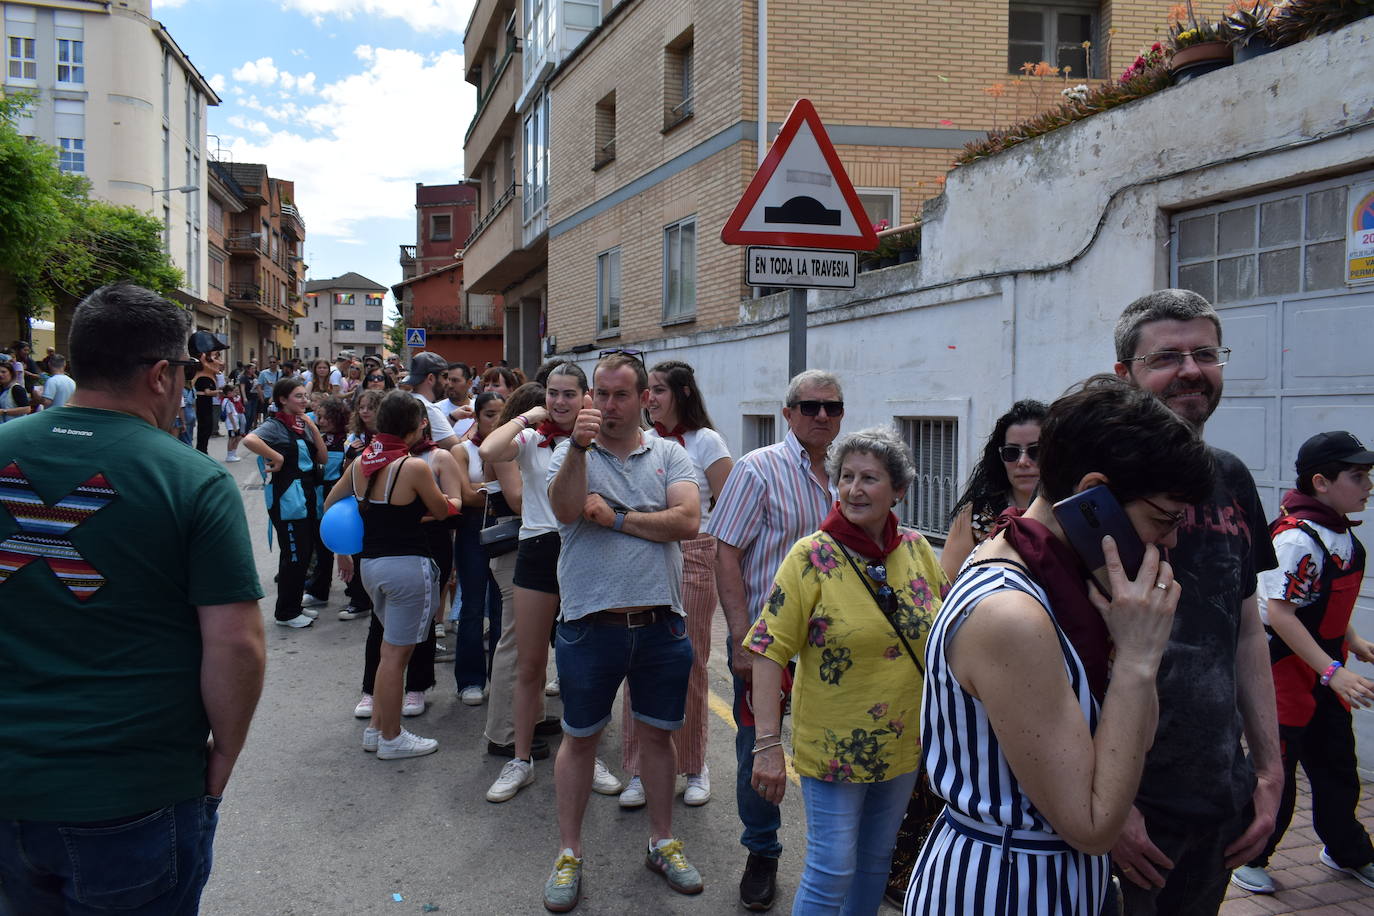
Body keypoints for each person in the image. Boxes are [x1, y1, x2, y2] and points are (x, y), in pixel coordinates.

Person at [0, 283, 266, 913]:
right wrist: (225, 754)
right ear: (159, 375)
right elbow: (235, 643)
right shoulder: (192, 478)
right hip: (132, 792)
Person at [906, 375, 1212, 915]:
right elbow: (1094, 824)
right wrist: (1139, 658)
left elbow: (1131, 745)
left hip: (1055, 878)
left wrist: (1130, 644)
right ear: (1094, 496)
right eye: (1162, 519)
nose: (1170, 540)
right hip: (1005, 886)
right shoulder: (1011, 613)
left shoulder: (1065, 578)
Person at [1109, 289, 1281, 914]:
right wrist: (1111, 804)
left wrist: (1267, 772)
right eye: (1167, 357)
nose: (1190, 370)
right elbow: (1064, 649)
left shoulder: (1231, 478)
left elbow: (1244, 631)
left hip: (1214, 796)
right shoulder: (1094, 489)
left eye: (1204, 353)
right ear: (1124, 374)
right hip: (1123, 810)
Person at [748, 426, 946, 914]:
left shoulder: (917, 551)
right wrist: (768, 744)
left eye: (870, 478)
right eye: (847, 477)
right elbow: (767, 649)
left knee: (876, 861)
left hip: (903, 741)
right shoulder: (811, 556)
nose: (855, 489)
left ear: (898, 489)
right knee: (831, 866)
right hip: (835, 745)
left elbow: (945, 631)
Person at [541, 351, 702, 911]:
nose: (608, 406)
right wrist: (580, 452)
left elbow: (686, 522)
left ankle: (662, 841)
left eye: (620, 395)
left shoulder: (671, 454)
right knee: (580, 739)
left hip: (660, 624)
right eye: (600, 395)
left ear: (642, 400)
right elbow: (564, 510)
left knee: (658, 737)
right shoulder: (570, 452)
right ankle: (569, 853)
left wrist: (614, 517)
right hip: (591, 624)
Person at [708, 368, 844, 911]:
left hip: (833, 646)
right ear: (787, 413)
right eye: (809, 406)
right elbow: (726, 552)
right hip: (768, 645)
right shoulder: (758, 469)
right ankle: (762, 851)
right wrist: (742, 637)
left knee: (830, 747)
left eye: (832, 408)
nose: (821, 416)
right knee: (757, 749)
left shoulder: (847, 473)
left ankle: (833, 848)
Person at [1231, 431, 1374, 895]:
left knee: (1338, 769)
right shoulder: (1296, 538)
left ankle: (1346, 851)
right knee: (1279, 775)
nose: (1367, 485)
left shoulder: (1340, 533)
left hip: (1324, 676)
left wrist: (1352, 640)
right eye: (1357, 476)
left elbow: (1321, 599)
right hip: (1287, 677)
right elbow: (1280, 613)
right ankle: (1250, 855)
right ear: (1322, 482)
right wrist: (1333, 672)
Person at [479, 363, 620, 803]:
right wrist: (526, 416)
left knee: (585, 666)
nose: (560, 402)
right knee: (530, 663)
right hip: (537, 550)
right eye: (553, 394)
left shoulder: (600, 438)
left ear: (586, 396)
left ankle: (587, 754)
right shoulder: (528, 438)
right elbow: (488, 449)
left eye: (569, 394)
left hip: (584, 549)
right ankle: (519, 760)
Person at [619, 359, 733, 809]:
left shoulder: (706, 442)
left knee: (690, 663)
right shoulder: (642, 442)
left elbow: (729, 507)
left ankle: (693, 764)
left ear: (683, 393)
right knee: (637, 663)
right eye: (647, 391)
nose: (650, 399)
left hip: (693, 554)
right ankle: (638, 769)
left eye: (659, 390)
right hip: (644, 554)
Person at [325, 391, 460, 759]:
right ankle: (391, 737)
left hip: (371, 565)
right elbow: (443, 509)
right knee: (396, 657)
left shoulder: (361, 462)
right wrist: (452, 502)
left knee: (388, 651)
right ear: (415, 425)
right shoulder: (412, 466)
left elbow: (330, 504)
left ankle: (375, 730)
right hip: (407, 566)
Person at [482, 383, 555, 760]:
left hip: (529, 547)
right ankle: (503, 733)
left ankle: (532, 717)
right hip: (515, 549)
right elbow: (516, 498)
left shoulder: (534, 444)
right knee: (514, 641)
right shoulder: (514, 444)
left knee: (533, 645)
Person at [241, 376, 328, 628]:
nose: (305, 400)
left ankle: (295, 605)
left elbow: (321, 457)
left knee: (304, 552)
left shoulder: (303, 424)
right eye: (298, 396)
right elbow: (250, 440)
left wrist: (313, 428)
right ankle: (286, 613)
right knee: (293, 554)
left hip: (308, 497)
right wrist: (276, 455)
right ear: (282, 400)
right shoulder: (274, 425)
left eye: (305, 396)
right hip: (289, 500)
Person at [941, 399, 1049, 582]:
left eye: (1035, 451)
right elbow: (945, 587)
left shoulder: (1068, 510)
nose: (1023, 462)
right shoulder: (976, 515)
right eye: (1012, 452)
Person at [452, 390, 507, 705]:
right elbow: (466, 496)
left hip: (504, 530)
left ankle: (500, 678)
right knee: (472, 606)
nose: (496, 421)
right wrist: (495, 490)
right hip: (472, 531)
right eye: (489, 414)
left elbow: (480, 492)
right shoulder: (463, 451)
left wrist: (481, 490)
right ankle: (470, 680)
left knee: (503, 609)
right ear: (476, 416)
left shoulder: (508, 447)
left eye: (502, 414)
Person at [339, 388, 384, 623]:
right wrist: (350, 456)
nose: (365, 411)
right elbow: (345, 474)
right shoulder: (355, 435)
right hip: (359, 499)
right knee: (357, 550)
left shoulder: (389, 434)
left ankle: (378, 598)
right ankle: (358, 600)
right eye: (362, 407)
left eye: (371, 407)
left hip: (384, 499)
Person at [404, 352, 461, 451]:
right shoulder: (428, 408)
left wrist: (452, 418)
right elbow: (456, 447)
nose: (448, 382)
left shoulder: (404, 400)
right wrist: (475, 427)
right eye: (445, 376)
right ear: (430, 378)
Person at [192, 333, 228, 454]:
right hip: (204, 405)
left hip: (207, 405)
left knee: (207, 427)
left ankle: (203, 450)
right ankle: (202, 451)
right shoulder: (203, 378)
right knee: (204, 427)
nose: (220, 362)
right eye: (216, 357)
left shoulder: (209, 377)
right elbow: (207, 393)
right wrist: (219, 392)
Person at [222, 384, 246, 462]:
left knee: (236, 437)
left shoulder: (230, 400)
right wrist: (234, 426)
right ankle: (229, 455)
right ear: (228, 393)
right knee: (232, 438)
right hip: (231, 424)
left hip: (234, 423)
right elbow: (230, 415)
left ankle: (233, 453)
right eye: (232, 392)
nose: (234, 393)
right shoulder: (227, 402)